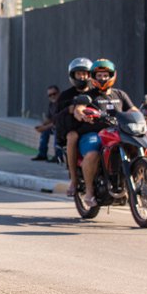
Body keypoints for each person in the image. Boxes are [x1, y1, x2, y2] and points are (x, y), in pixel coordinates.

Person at [73, 58, 139, 207]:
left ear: (112, 76)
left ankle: (135, 180)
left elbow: (132, 110)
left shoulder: (120, 94)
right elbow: (79, 108)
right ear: (93, 77)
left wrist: (143, 116)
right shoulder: (89, 95)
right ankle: (89, 192)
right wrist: (82, 114)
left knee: (137, 145)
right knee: (92, 154)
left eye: (105, 75)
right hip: (94, 134)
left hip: (118, 133)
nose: (102, 78)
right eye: (99, 75)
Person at [55, 57, 92, 196]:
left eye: (85, 73)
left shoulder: (95, 92)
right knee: (72, 137)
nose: (82, 77)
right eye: (78, 74)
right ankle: (74, 180)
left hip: (94, 128)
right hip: (74, 129)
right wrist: (69, 109)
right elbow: (56, 117)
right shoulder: (66, 95)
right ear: (73, 75)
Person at [32, 85, 61, 162]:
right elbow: (49, 118)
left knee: (56, 130)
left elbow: (58, 121)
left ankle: (58, 156)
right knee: (45, 132)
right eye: (50, 95)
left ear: (58, 93)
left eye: (54, 94)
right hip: (54, 125)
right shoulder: (51, 104)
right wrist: (42, 125)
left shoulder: (62, 103)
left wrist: (45, 127)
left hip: (62, 126)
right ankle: (42, 154)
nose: (52, 96)